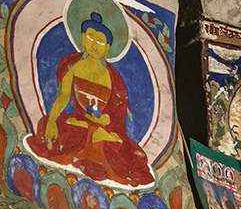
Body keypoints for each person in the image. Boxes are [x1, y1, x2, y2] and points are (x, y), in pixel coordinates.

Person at [26, 11, 154, 187]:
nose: (95, 45)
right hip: (81, 125)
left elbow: (117, 116)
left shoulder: (114, 78)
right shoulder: (73, 66)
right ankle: (91, 139)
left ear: (108, 48)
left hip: (106, 130)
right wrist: (53, 120)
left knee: (124, 152)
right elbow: (63, 97)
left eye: (101, 41)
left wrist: (102, 121)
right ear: (83, 39)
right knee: (49, 126)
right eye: (90, 37)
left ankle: (95, 143)